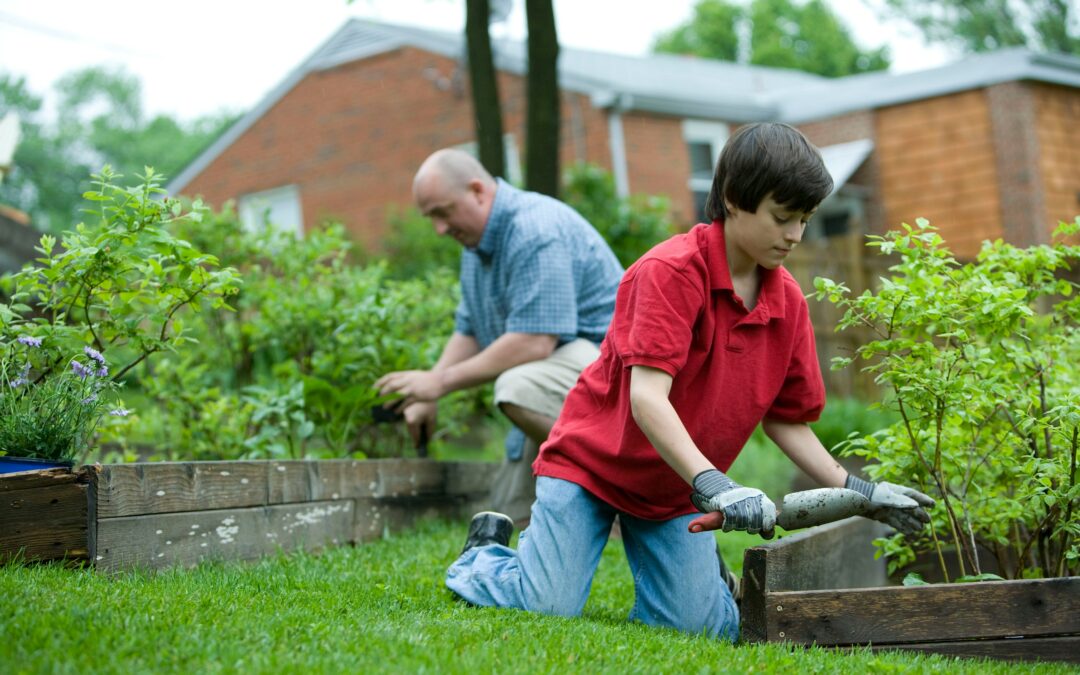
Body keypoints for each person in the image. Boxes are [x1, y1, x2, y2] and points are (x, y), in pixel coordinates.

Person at [444, 123, 934, 641]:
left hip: (676, 488)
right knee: (546, 605)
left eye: (805, 220)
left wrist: (863, 492)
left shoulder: (787, 302)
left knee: (699, 629)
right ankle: (485, 555)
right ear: (732, 200)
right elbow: (647, 399)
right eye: (782, 217)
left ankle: (704, 585)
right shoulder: (669, 273)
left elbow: (787, 422)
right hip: (591, 468)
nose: (795, 235)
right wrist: (718, 485)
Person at [376, 149, 624, 525]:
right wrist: (426, 392)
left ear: (477, 191)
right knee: (507, 515)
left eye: (443, 213)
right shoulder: (476, 246)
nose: (439, 229)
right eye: (431, 219)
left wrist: (440, 383)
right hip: (559, 381)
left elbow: (534, 341)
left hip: (615, 380)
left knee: (517, 387)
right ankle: (589, 497)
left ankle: (622, 487)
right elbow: (470, 328)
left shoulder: (534, 229)